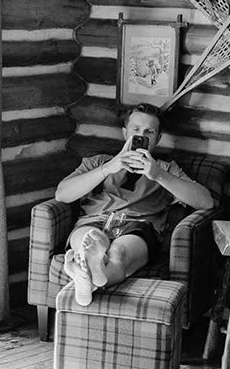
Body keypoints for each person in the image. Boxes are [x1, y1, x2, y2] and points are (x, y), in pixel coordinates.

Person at [54, 103, 215, 306]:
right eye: (136, 130)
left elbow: (206, 201)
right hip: (94, 220)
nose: (142, 135)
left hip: (138, 226)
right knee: (88, 239)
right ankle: (93, 271)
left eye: (149, 131)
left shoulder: (165, 169)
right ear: (125, 133)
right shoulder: (99, 162)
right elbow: (62, 194)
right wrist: (108, 169)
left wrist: (158, 175)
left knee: (117, 254)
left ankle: (85, 271)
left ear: (158, 138)